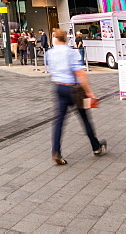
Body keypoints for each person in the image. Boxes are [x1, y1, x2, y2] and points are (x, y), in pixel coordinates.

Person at [45, 30, 105, 165]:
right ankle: (96, 146)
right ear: (65, 39)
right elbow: (79, 73)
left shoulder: (50, 53)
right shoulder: (70, 52)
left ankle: (56, 151)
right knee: (84, 118)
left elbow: (51, 70)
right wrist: (89, 92)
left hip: (58, 87)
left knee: (59, 121)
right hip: (73, 89)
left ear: (55, 38)